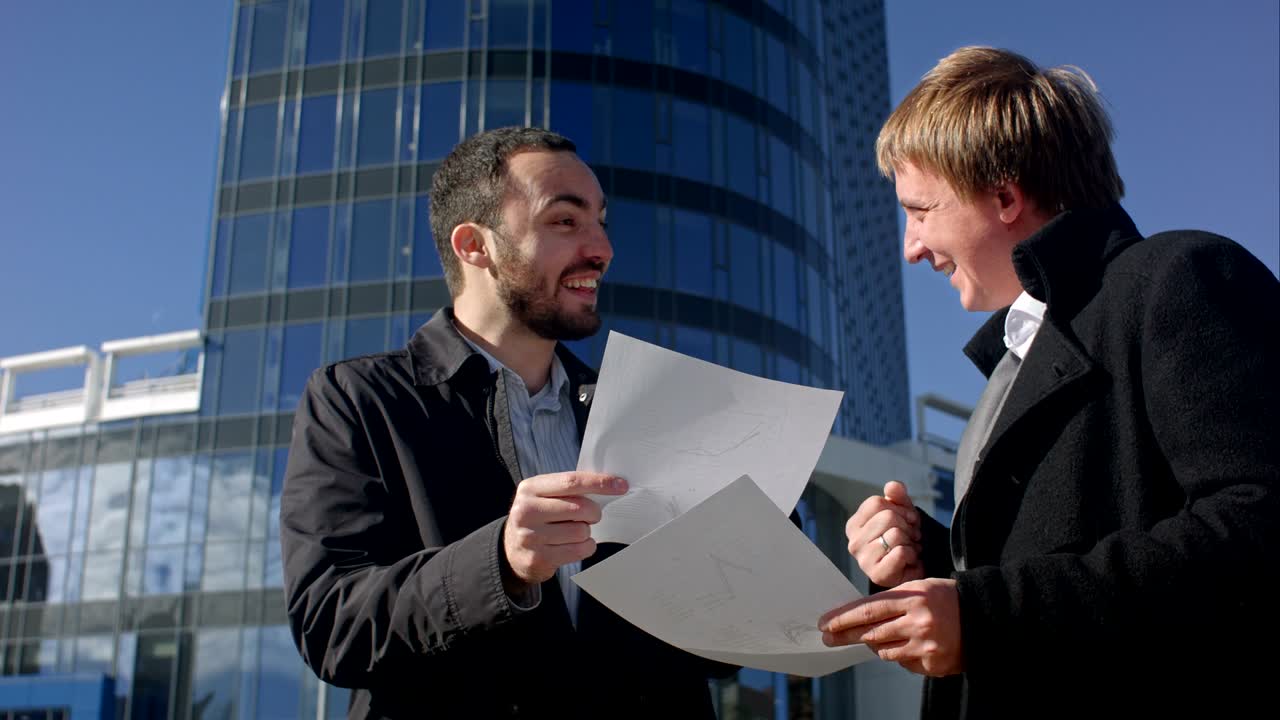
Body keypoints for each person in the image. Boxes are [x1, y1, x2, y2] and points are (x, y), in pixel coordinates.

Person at [819, 47, 1278, 717]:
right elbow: (1068, 561)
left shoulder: (1180, 277)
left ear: (1005, 196)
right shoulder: (1017, 358)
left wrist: (982, 617)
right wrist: (927, 562)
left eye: (920, 211)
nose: (911, 247)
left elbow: (1259, 522)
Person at [280, 127, 730, 719]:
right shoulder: (359, 401)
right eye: (565, 222)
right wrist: (501, 562)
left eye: (600, 221)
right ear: (476, 246)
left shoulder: (650, 414)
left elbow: (716, 653)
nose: (602, 249)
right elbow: (332, 626)